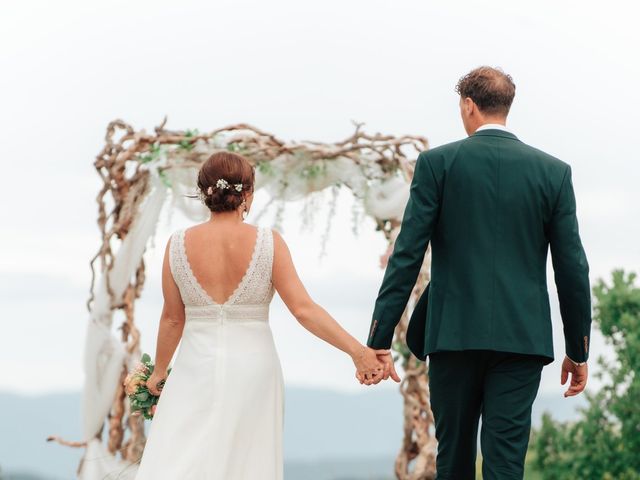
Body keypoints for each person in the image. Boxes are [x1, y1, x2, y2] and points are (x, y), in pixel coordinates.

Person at [364, 66, 591, 479]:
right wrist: (578, 348)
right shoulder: (553, 172)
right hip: (522, 338)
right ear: (506, 107)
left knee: (453, 460)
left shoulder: (437, 164)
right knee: (505, 464)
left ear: (469, 106)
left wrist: (378, 339)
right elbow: (572, 267)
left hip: (453, 335)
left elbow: (407, 255)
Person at [133, 151, 387, 480]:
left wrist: (159, 375)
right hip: (253, 369)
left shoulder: (177, 244)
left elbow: (172, 319)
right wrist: (359, 352)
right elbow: (303, 309)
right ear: (247, 194)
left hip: (194, 367)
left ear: (203, 192)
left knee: (182, 456)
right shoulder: (268, 242)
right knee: (247, 461)